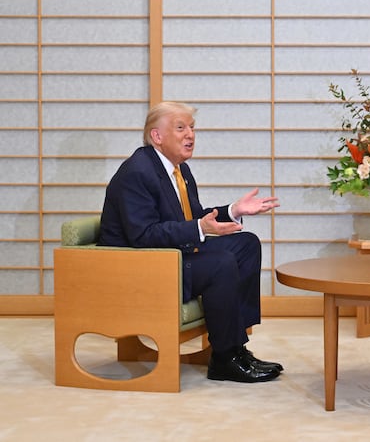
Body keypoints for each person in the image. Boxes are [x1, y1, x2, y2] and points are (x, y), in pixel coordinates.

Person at [99, 101, 283, 383]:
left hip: (170, 255)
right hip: (142, 266)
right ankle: (223, 358)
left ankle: (236, 347)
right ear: (156, 136)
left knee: (246, 245)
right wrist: (199, 227)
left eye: (192, 127)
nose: (190, 135)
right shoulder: (137, 172)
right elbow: (143, 235)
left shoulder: (179, 170)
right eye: (181, 127)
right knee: (220, 262)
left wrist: (233, 210)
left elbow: (193, 217)